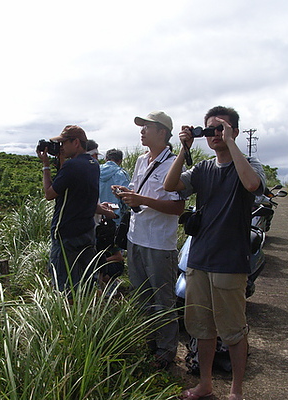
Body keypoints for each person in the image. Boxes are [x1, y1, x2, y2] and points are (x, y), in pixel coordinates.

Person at [164, 106, 266, 400]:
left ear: (233, 130)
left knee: (233, 330)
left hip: (230, 263)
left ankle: (236, 391)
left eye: (221, 128)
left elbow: (251, 185)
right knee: (202, 328)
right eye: (210, 129)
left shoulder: (248, 164)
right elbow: (171, 185)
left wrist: (232, 142)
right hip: (199, 259)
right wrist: (184, 149)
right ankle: (206, 384)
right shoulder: (203, 168)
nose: (215, 134)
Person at [113, 110, 185, 369]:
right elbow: (138, 192)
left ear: (163, 133)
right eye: (141, 127)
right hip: (136, 238)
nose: (142, 131)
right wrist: (126, 193)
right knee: (140, 295)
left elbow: (178, 208)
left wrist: (142, 200)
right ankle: (148, 342)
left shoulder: (173, 165)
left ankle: (166, 351)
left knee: (162, 299)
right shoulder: (142, 160)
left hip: (159, 243)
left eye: (147, 127)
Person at [36, 125, 101, 293]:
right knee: (86, 282)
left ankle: (67, 316)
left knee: (64, 286)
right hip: (87, 230)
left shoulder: (71, 167)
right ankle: (88, 314)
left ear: (76, 142)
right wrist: (62, 160)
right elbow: (71, 184)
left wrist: (46, 166)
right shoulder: (94, 164)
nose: (61, 147)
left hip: (66, 233)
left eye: (64, 143)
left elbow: (50, 194)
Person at [99, 148, 131, 224]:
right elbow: (127, 198)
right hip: (116, 216)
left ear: (105, 159)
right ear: (120, 161)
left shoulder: (94, 171)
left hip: (96, 214)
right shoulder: (121, 174)